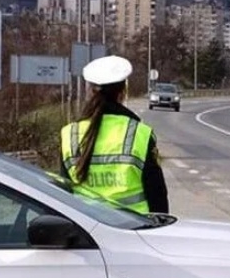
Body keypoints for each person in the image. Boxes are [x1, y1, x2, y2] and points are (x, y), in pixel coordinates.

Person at [60, 55, 169, 214]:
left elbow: (63, 195)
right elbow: (157, 196)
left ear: (91, 90)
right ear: (123, 91)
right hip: (134, 231)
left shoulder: (69, 134)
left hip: (85, 232)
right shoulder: (140, 133)